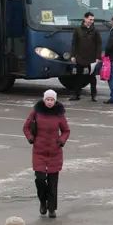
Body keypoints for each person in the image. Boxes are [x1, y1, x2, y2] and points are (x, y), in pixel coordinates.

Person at [23, 90, 70, 218]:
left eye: (52, 100)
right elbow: (26, 127)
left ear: (55, 101)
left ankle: (52, 209)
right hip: (39, 151)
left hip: (55, 152)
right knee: (40, 179)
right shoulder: (36, 112)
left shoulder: (59, 114)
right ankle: (43, 202)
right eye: (48, 99)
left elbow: (66, 130)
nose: (50, 102)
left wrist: (61, 141)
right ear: (44, 99)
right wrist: (30, 138)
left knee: (53, 182)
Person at [69, 11, 102, 101]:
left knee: (92, 77)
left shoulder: (95, 31)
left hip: (91, 58)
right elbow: (74, 44)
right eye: (90, 19)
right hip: (80, 57)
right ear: (85, 18)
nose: (91, 21)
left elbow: (99, 44)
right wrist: (73, 55)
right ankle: (76, 95)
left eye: (93, 20)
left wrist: (98, 57)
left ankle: (93, 95)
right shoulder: (78, 30)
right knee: (78, 77)